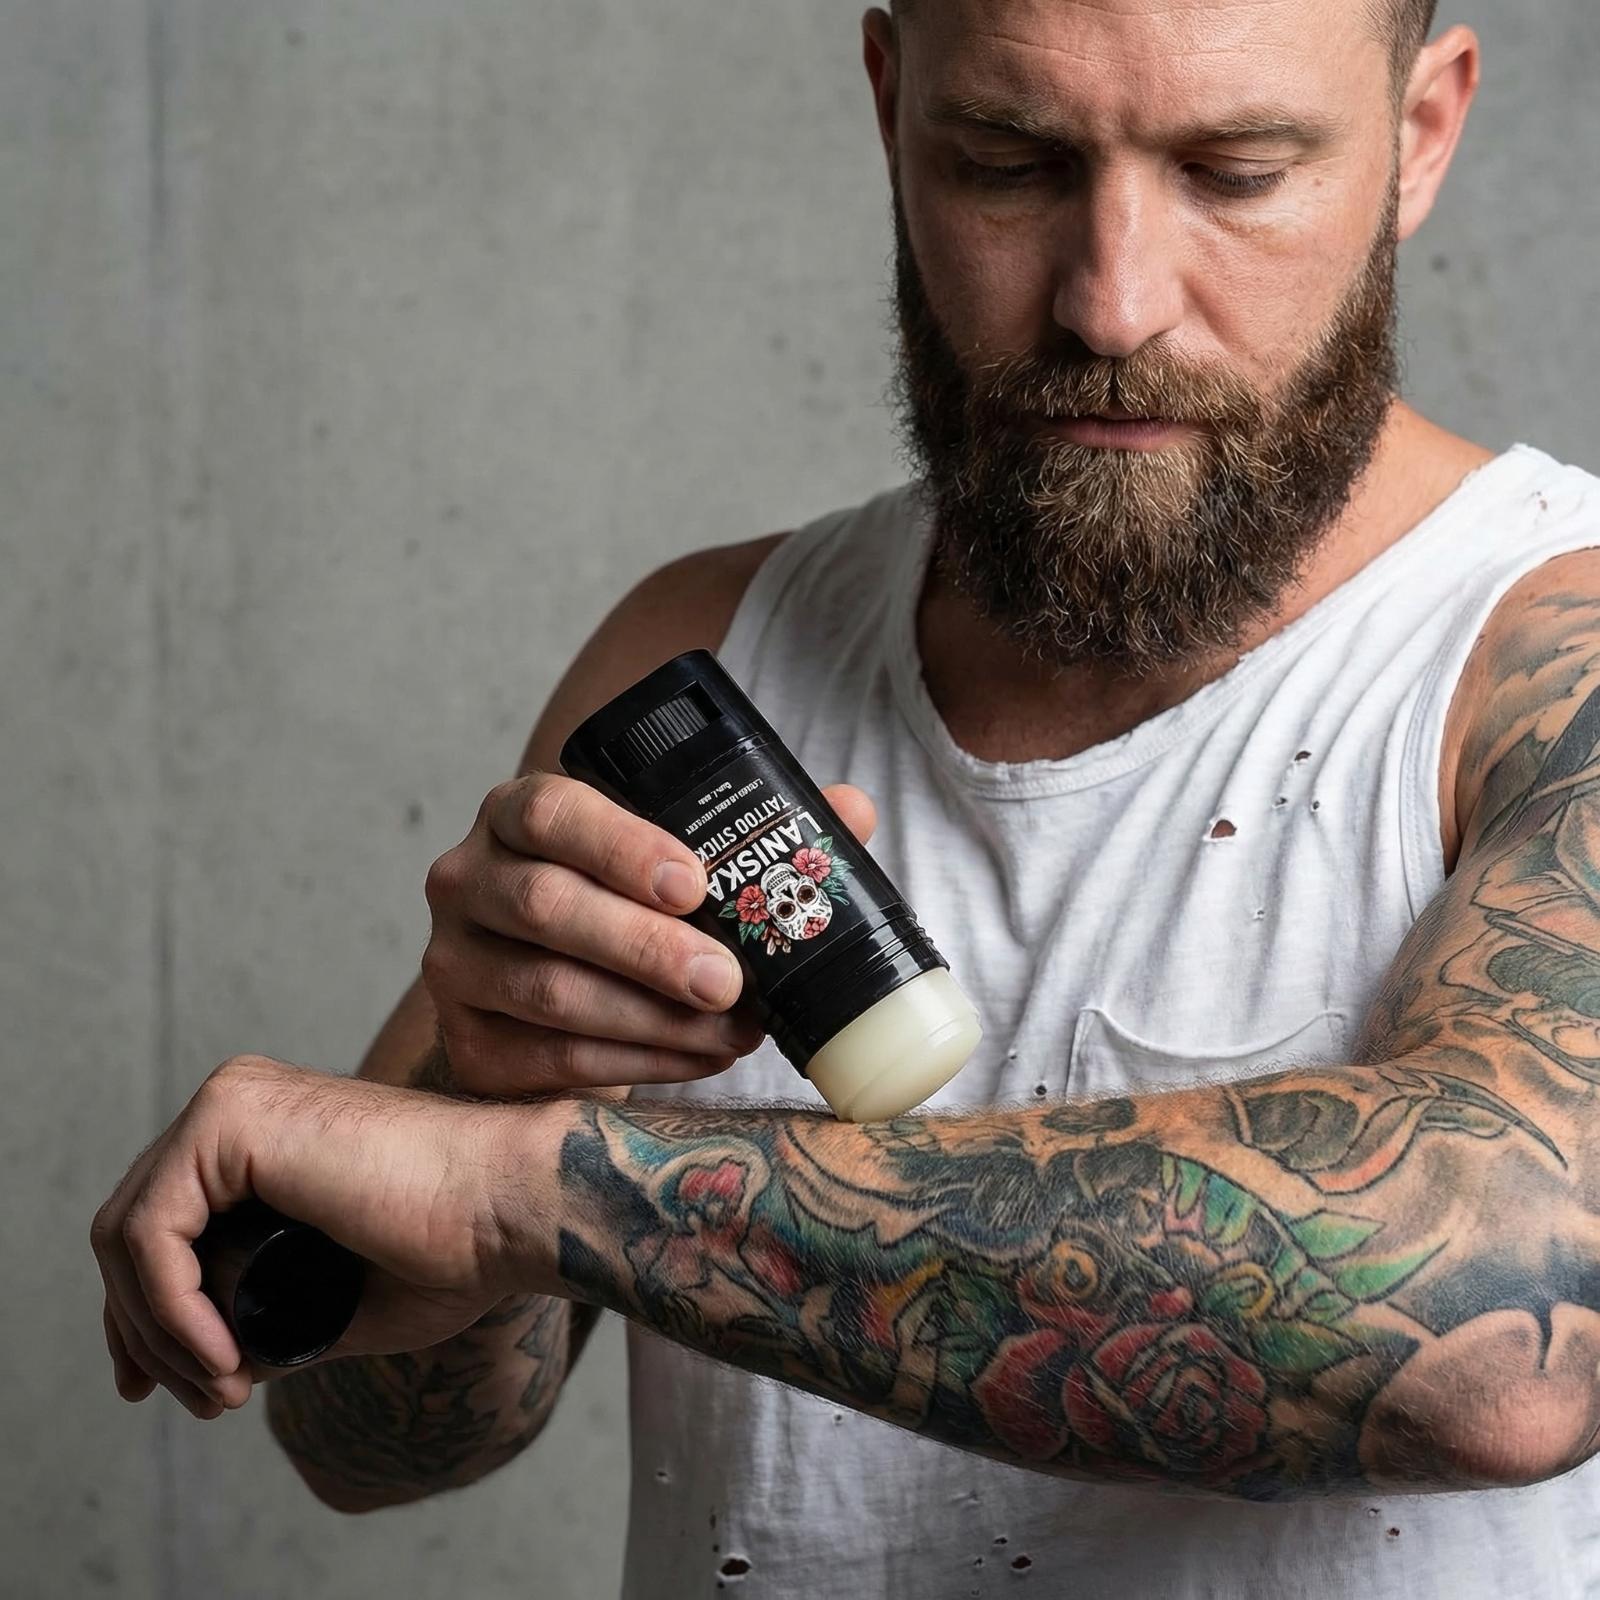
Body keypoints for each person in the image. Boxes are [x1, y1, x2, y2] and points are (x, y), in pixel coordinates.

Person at [92, 1, 1600, 1595]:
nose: (1110, 302)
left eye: (1236, 173)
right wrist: (480, 1089)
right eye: (1007, 162)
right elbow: (372, 1450)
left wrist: (530, 1190)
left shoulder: (1546, 659)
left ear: (1420, 132)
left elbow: (1511, 1334)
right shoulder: (703, 663)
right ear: (892, 109)